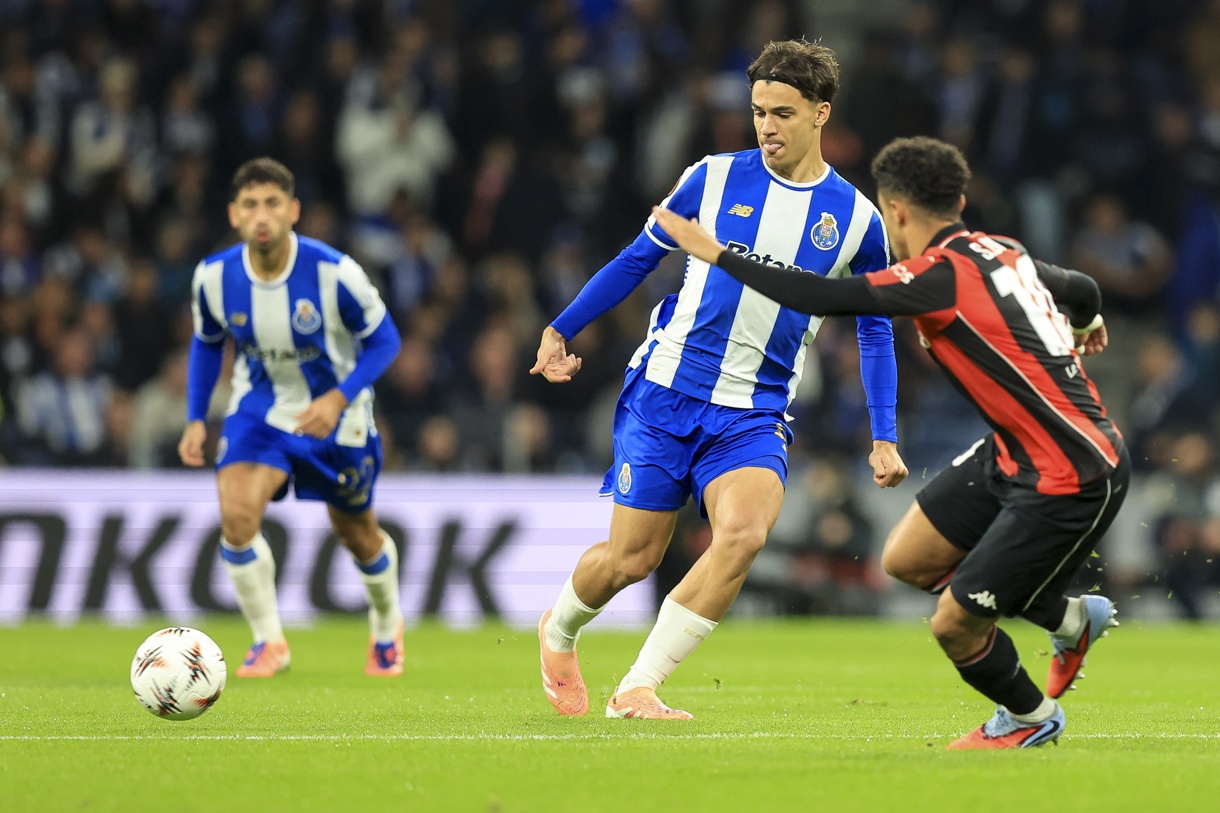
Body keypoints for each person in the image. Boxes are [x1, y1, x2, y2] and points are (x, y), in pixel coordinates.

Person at [652, 135, 1129, 749]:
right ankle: (1069, 618)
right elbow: (1085, 287)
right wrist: (1086, 325)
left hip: (1070, 471)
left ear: (896, 211)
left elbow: (820, 295)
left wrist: (716, 252)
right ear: (957, 200)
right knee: (908, 559)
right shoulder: (1001, 251)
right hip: (1020, 449)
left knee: (954, 624)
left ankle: (1031, 717)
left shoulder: (934, 277)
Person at [532, 40, 908, 721]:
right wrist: (563, 326)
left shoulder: (857, 220)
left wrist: (883, 435)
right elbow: (637, 258)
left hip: (753, 413)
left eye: (783, 113)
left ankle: (637, 687)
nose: (766, 126)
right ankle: (557, 631)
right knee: (631, 559)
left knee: (743, 533)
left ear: (821, 113)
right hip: (666, 394)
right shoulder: (711, 177)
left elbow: (875, 327)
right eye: (759, 110)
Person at [178, 158, 404, 677]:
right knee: (236, 518)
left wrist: (338, 398)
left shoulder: (333, 271)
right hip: (259, 410)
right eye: (251, 204)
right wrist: (196, 416)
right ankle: (269, 641)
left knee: (358, 534)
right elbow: (207, 344)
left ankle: (387, 625)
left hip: (338, 416)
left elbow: (385, 340)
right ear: (234, 214)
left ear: (293, 211)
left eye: (273, 203)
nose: (263, 215)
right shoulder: (213, 278)